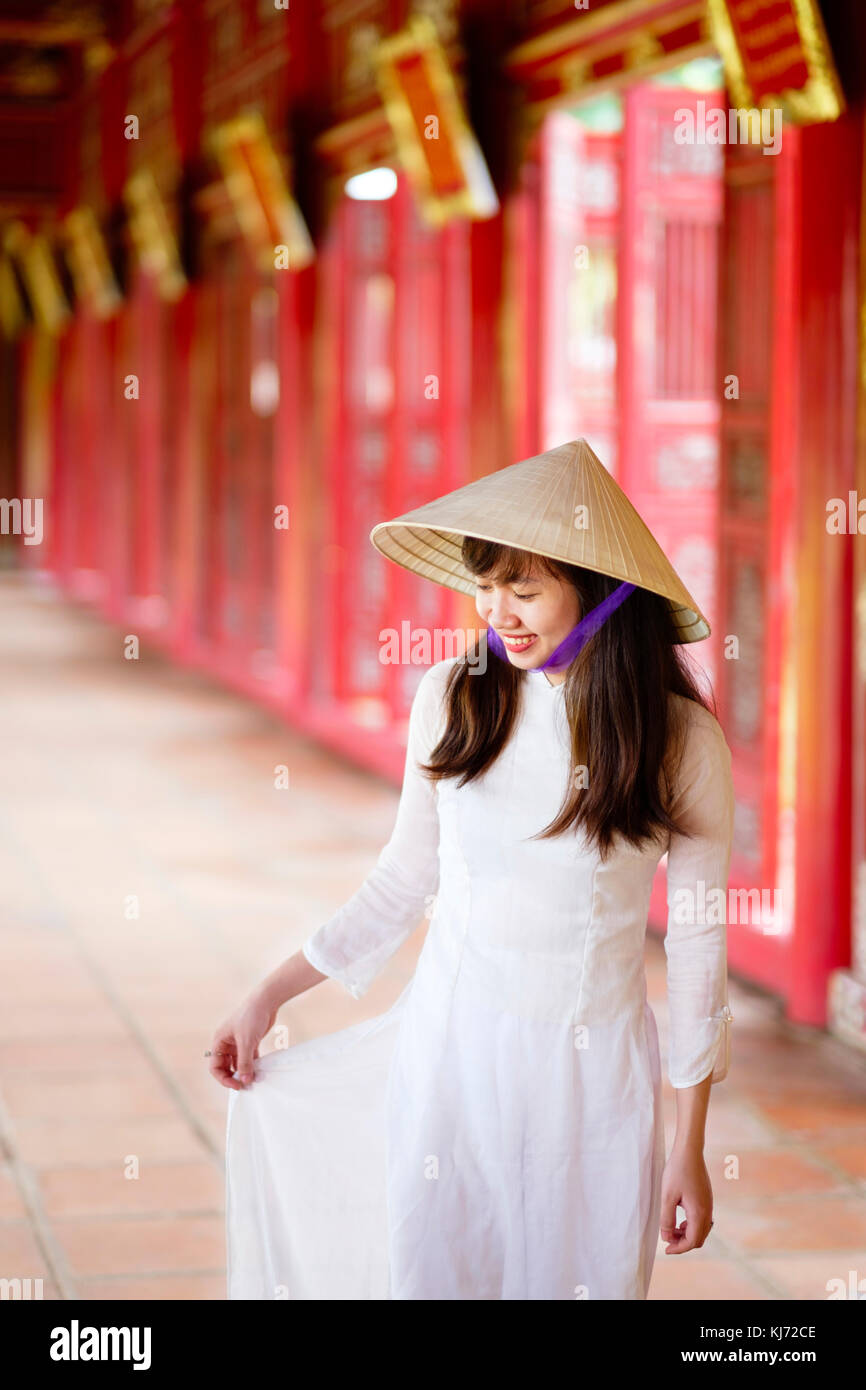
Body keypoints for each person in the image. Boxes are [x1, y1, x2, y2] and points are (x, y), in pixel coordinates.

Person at [209, 438, 734, 1300]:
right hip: (450, 1058)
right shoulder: (454, 697)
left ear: (600, 592)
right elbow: (402, 881)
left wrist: (689, 1143)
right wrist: (268, 994)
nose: (499, 612)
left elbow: (700, 945)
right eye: (486, 585)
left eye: (524, 589)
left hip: (593, 1081)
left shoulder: (680, 742)